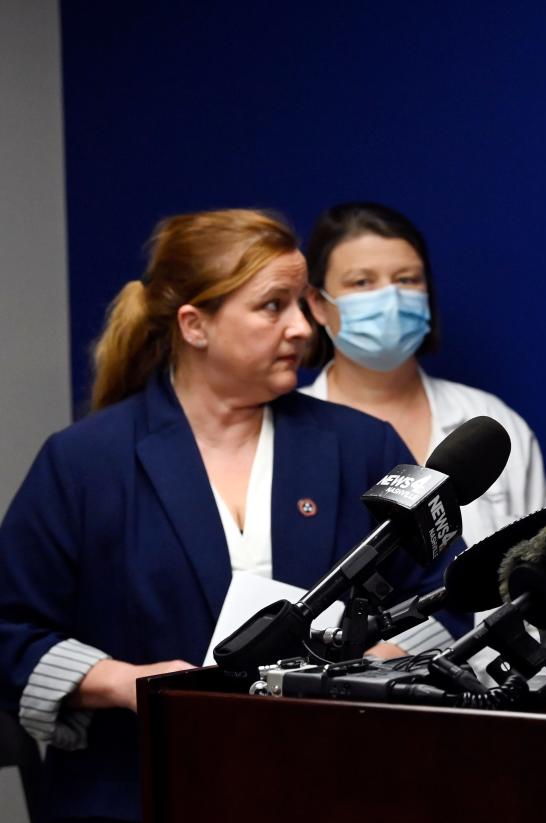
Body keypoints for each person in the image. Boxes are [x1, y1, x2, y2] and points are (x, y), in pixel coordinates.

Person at [0, 209, 464, 823]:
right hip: (138, 788)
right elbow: (10, 630)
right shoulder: (84, 462)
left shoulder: (364, 446)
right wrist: (128, 683)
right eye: (274, 306)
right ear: (195, 326)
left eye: (303, 304)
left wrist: (382, 661)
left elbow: (451, 594)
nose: (302, 327)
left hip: (338, 784)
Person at [301, 202, 546, 546]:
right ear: (317, 303)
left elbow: (538, 564)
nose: (390, 299)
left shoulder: (490, 421)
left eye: (406, 280)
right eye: (362, 282)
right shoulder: (283, 434)